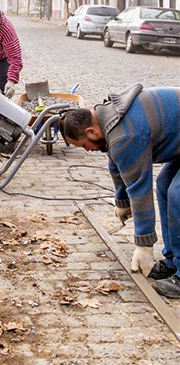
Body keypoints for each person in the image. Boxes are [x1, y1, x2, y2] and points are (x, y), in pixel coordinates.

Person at [60, 85, 180, 298]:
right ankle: (173, 261)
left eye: (84, 145)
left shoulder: (125, 136)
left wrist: (144, 243)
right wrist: (121, 201)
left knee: (177, 195)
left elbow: (140, 189)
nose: (87, 150)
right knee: (164, 185)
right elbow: (116, 162)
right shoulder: (108, 117)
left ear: (91, 132)